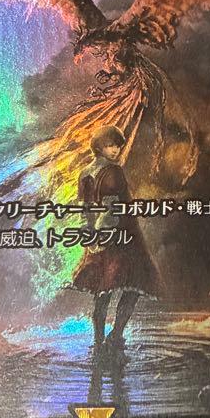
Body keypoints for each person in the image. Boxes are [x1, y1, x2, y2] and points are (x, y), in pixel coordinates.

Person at [72, 125, 161, 353]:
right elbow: (111, 208)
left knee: (105, 289)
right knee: (131, 284)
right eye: (110, 145)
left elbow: (85, 210)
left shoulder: (85, 173)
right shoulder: (114, 171)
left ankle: (101, 341)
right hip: (120, 235)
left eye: (118, 146)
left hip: (101, 236)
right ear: (99, 146)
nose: (115, 150)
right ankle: (113, 336)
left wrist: (89, 234)